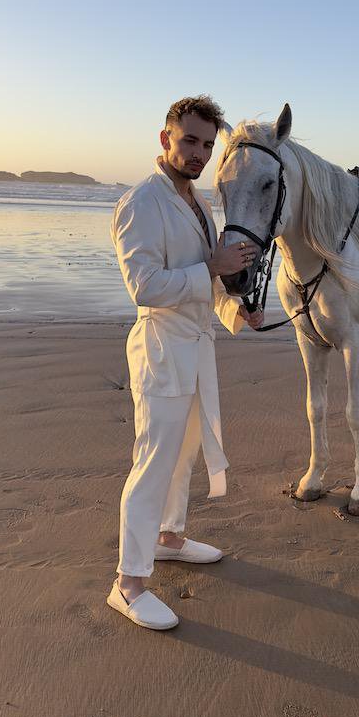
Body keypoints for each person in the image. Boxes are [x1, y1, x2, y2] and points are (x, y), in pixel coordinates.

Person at [106, 95, 262, 629]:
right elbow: (144, 287)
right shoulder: (141, 203)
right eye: (190, 140)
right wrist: (211, 269)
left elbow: (207, 279)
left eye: (206, 145)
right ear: (166, 139)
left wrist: (237, 311)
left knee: (184, 452)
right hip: (160, 350)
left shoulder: (198, 202)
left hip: (197, 349)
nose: (198, 153)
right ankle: (128, 584)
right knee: (152, 461)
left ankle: (169, 538)